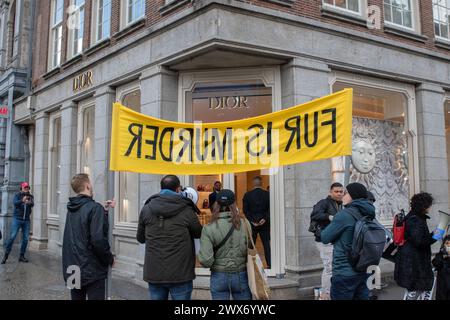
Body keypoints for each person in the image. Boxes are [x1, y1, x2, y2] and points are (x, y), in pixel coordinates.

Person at [136, 175, 203, 300]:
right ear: (178, 189)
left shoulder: (146, 209)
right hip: (181, 274)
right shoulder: (187, 209)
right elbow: (198, 233)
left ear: (161, 188)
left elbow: (140, 238)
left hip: (154, 272)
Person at [62, 174, 115, 300]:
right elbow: (98, 240)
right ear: (87, 186)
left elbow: (82, 229)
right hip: (91, 268)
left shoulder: (71, 208)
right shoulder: (95, 208)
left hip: (72, 266)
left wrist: (104, 211)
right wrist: (109, 258)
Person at [320, 182, 374, 300]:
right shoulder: (369, 213)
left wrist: (321, 229)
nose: (342, 195)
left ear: (352, 196)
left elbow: (324, 238)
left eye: (345, 193)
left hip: (344, 271)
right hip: (363, 269)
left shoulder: (344, 215)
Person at [198, 189, 252, 300]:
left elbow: (205, 260)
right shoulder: (245, 223)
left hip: (219, 276)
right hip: (241, 274)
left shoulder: (208, 228)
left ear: (216, 204)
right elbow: (250, 248)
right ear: (234, 204)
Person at [394, 192, 437, 300]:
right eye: (429, 205)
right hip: (413, 263)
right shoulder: (415, 219)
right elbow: (420, 242)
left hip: (413, 262)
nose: (430, 207)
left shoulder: (416, 217)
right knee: (413, 291)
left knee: (415, 290)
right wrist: (435, 236)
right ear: (423, 206)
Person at [309, 182, 344, 300]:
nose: (339, 194)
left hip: (334, 240)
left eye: (341, 191)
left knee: (333, 267)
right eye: (336, 191)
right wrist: (330, 217)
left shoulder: (342, 204)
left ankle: (330, 292)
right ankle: (325, 294)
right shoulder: (324, 202)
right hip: (323, 240)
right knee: (329, 267)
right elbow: (315, 214)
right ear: (330, 192)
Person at [2, 182, 34, 264]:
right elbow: (15, 203)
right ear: (21, 188)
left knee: (26, 239)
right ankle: (6, 255)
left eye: (28, 187)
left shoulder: (30, 196)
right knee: (12, 237)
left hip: (26, 220)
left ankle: (21, 256)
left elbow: (32, 203)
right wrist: (22, 200)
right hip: (17, 219)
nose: (27, 188)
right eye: (25, 187)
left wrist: (28, 202)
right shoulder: (17, 195)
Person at [243, 176, 270, 268]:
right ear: (261, 183)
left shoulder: (247, 195)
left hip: (252, 224)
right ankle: (270, 265)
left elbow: (245, 210)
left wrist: (252, 220)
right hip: (264, 224)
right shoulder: (267, 194)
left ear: (253, 183)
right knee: (266, 245)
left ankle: (249, 265)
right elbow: (270, 209)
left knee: (251, 246)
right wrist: (264, 219)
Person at [432, 235, 450, 300]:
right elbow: (435, 263)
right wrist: (442, 255)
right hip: (442, 289)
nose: (448, 246)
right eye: (447, 243)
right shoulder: (441, 255)